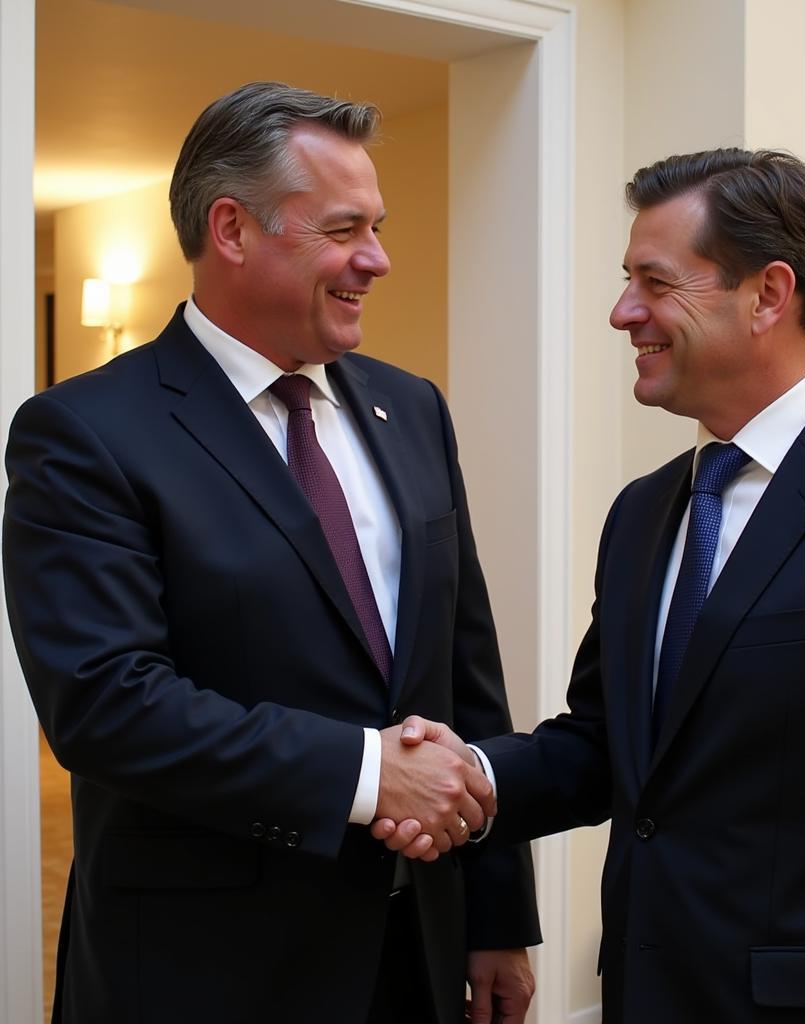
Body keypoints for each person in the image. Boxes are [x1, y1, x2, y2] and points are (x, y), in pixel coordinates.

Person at [377, 148, 805, 1022]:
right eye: (625, 280)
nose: (622, 313)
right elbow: (612, 746)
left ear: (768, 295)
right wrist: (474, 776)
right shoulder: (644, 515)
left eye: (655, 281)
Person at [3, 82, 539, 1024]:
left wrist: (496, 914)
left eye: (377, 226)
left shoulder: (410, 407)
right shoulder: (85, 433)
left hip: (416, 955)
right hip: (204, 972)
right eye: (344, 230)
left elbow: (465, 675)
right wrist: (369, 775)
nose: (377, 259)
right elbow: (106, 702)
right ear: (233, 229)